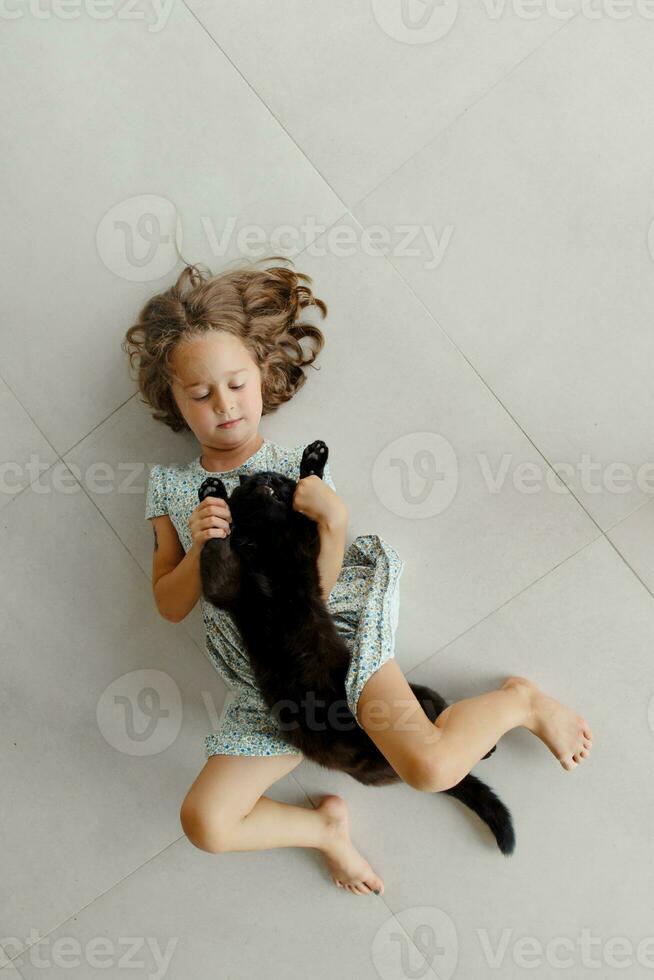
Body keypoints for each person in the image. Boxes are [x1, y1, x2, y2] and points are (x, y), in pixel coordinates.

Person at [123, 258, 593, 898]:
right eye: (201, 396)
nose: (224, 406)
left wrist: (336, 524)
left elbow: (321, 582)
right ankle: (322, 830)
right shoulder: (172, 490)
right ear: (174, 402)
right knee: (204, 822)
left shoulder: (294, 466)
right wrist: (196, 555)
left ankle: (521, 702)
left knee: (427, 767)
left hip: (336, 645)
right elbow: (168, 604)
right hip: (266, 684)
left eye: (235, 385)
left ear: (261, 375)